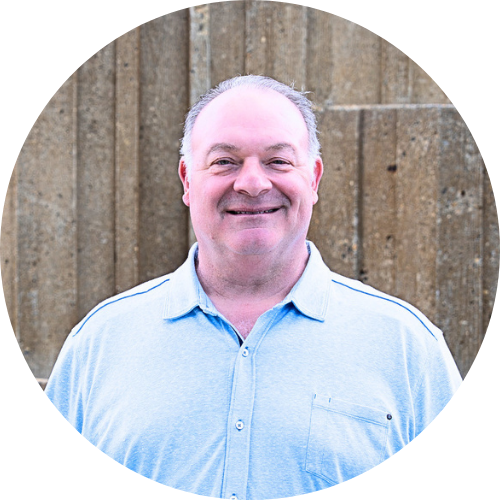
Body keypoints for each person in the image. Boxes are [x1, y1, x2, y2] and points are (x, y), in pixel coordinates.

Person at [45, 75, 463, 500]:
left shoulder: (408, 348)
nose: (252, 183)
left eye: (278, 161)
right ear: (187, 180)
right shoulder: (98, 345)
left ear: (313, 179)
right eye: (225, 161)